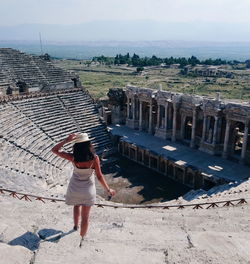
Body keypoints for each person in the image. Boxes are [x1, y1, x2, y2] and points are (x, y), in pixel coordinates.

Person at [51, 133, 116, 241]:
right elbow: (99, 176)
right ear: (88, 145)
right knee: (85, 217)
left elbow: (54, 150)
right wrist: (108, 190)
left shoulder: (73, 157)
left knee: (76, 206)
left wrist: (66, 140)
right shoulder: (94, 159)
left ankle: (75, 226)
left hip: (75, 188)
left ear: (76, 146)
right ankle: (82, 239)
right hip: (88, 190)